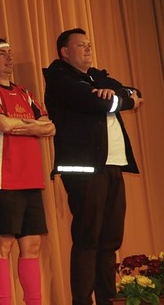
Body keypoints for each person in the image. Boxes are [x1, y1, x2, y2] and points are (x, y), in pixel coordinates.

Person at [42, 28, 144, 305]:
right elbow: (95, 102)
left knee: (110, 239)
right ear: (65, 52)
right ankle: (82, 301)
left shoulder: (98, 77)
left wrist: (117, 96)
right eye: (81, 45)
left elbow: (136, 92)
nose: (88, 49)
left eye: (89, 44)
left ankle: (107, 299)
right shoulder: (59, 77)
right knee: (88, 239)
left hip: (111, 165)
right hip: (85, 169)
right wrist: (119, 100)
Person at [0, 38, 56, 305]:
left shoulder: (23, 91)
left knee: (32, 246)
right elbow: (3, 124)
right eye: (1, 54)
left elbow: (50, 127)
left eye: (10, 53)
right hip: (3, 179)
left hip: (31, 179)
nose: (9, 58)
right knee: (3, 245)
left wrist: (21, 124)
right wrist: (31, 125)